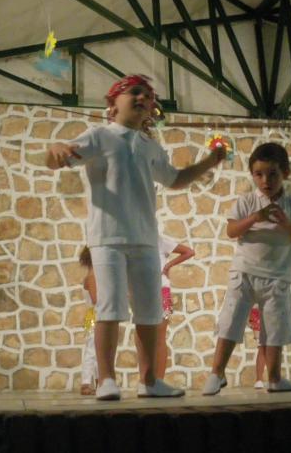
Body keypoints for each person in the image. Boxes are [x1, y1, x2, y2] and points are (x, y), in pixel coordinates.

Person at [46, 74, 225, 400]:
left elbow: (175, 179)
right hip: (108, 237)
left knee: (150, 312)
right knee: (109, 308)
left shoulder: (150, 146)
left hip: (145, 239)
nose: (143, 98)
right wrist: (55, 148)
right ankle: (106, 380)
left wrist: (209, 162)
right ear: (113, 104)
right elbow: (59, 159)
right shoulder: (100, 135)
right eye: (135, 92)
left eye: (148, 95)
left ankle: (149, 381)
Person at [203, 142, 291, 395]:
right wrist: (255, 217)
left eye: (273, 174)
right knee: (231, 321)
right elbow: (231, 230)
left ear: (285, 173)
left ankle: (274, 378)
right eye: (259, 174)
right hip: (245, 273)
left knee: (274, 328)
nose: (265, 181)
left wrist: (285, 224)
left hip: (277, 277)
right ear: (252, 175)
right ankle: (216, 373)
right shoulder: (248, 201)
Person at [155, 235, 194, 380]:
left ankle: (158, 381)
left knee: (159, 337)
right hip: (144, 292)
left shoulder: (160, 240)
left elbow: (189, 252)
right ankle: (147, 380)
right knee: (144, 337)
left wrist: (168, 265)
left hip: (161, 291)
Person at [79, 246, 98, 395]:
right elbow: (96, 299)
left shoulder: (92, 275)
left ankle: (99, 380)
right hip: (94, 316)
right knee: (92, 349)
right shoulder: (92, 277)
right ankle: (85, 383)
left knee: (97, 350)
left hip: (91, 315)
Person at [247, 305, 266, 389]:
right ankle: (259, 380)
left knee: (269, 347)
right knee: (263, 347)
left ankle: (261, 380)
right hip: (257, 312)